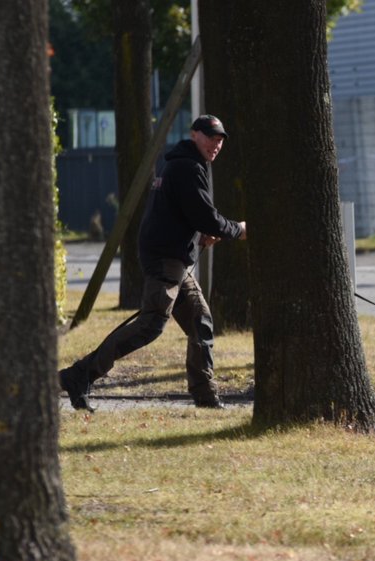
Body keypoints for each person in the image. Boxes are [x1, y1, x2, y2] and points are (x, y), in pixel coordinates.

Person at [59, 114, 247, 412]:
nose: (216, 144)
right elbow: (204, 215)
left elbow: (189, 213)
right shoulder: (187, 166)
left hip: (174, 258)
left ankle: (205, 396)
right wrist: (237, 229)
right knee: (150, 325)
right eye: (211, 137)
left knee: (200, 320)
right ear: (194, 135)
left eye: (221, 139)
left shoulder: (187, 164)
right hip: (166, 259)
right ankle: (79, 375)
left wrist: (205, 231)